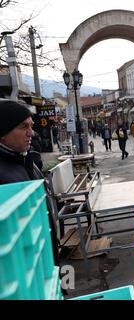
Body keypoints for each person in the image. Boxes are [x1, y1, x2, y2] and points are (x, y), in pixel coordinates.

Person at [0, 100, 60, 266]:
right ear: (3, 132)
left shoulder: (25, 160)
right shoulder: (4, 174)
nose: (31, 133)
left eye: (31, 126)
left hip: (44, 262)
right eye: (23, 127)